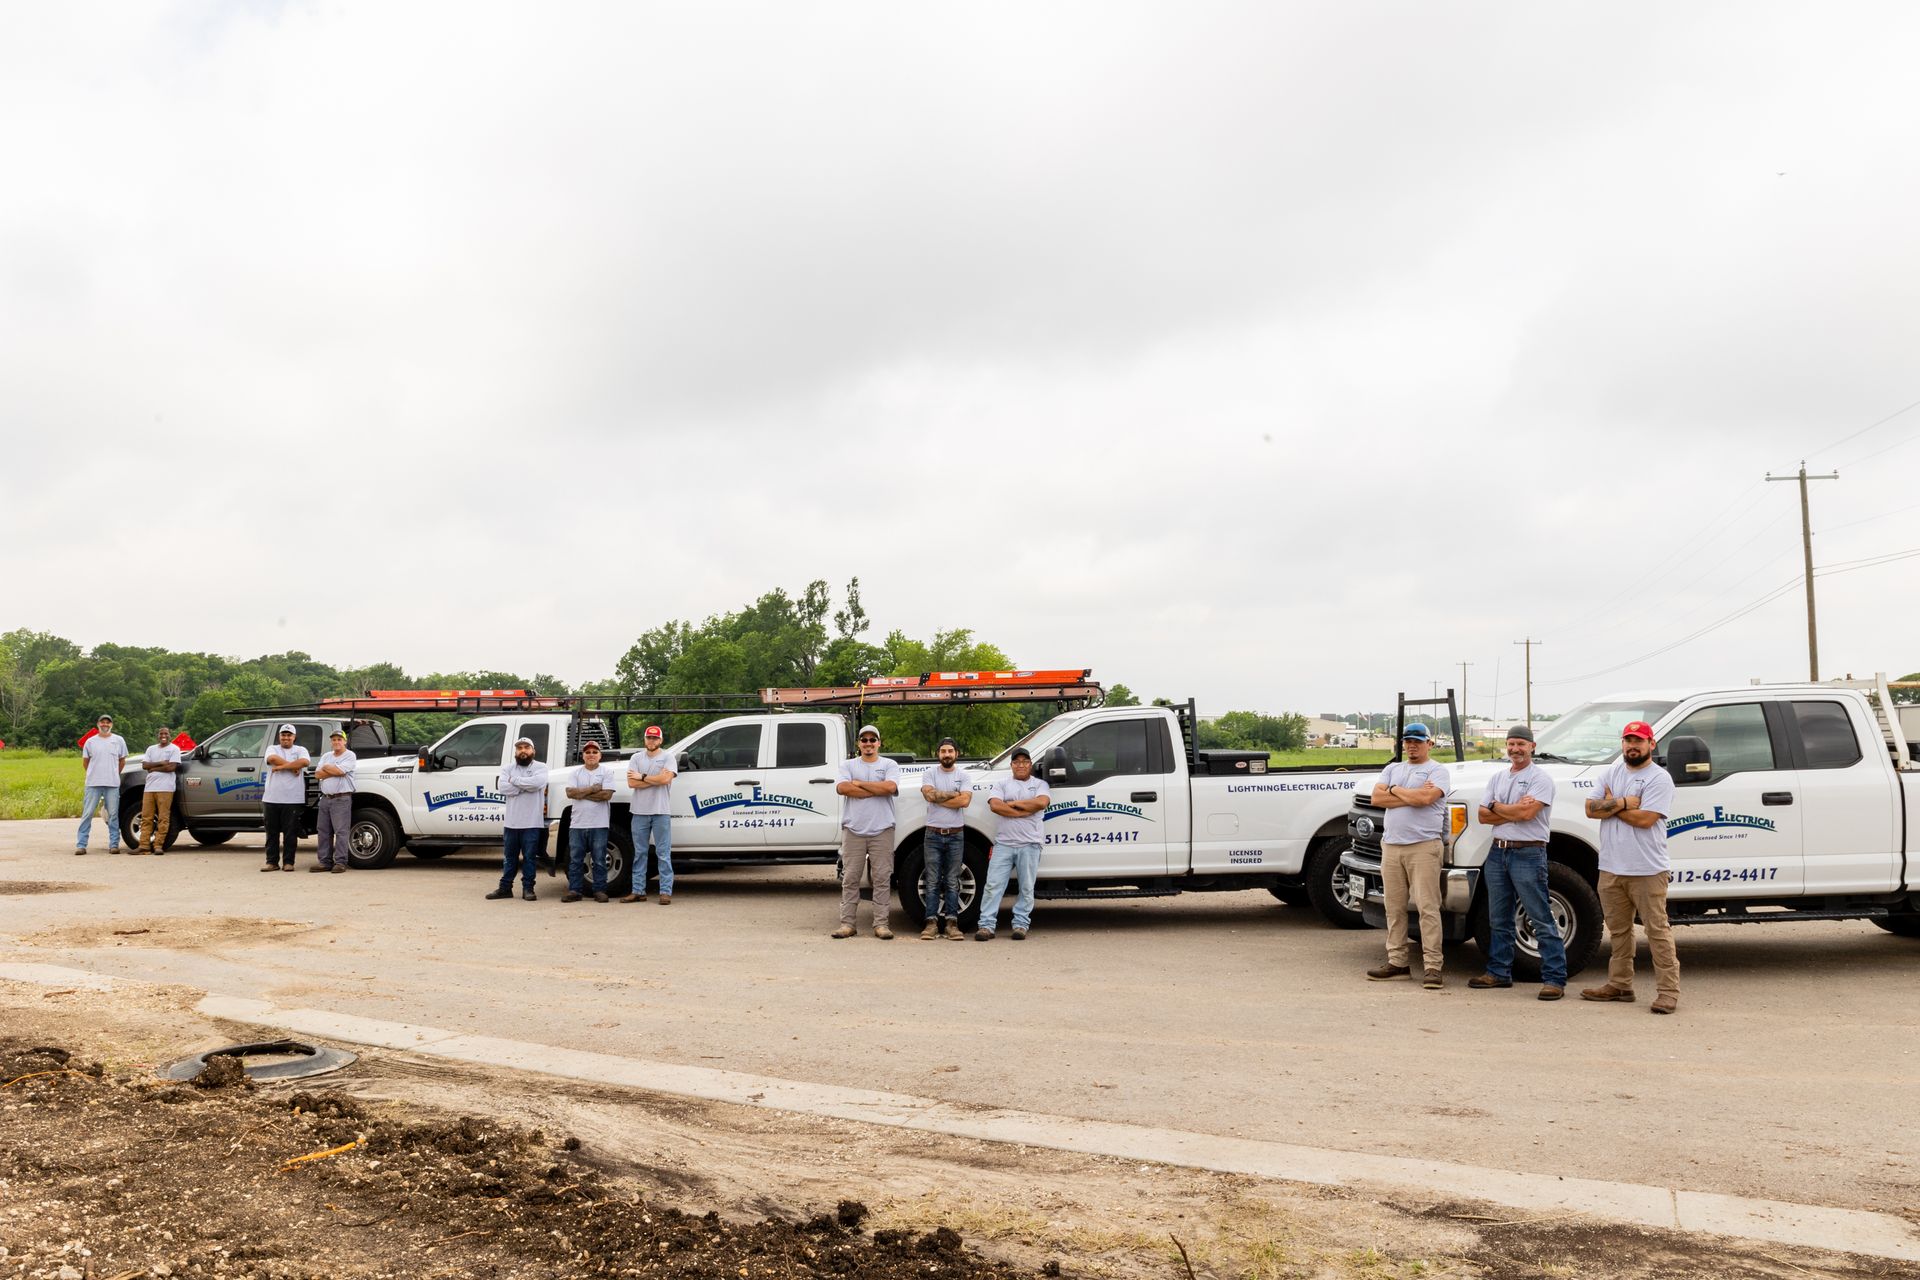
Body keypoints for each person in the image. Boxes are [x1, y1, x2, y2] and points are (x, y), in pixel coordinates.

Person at [1582, 720, 1681, 1014]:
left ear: (1651, 744)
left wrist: (1611, 805)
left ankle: (1668, 992)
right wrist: (1626, 802)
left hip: (1647, 869)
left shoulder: (1659, 779)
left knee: (1657, 931)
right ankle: (1620, 984)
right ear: (1622, 744)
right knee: (1619, 931)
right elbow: (1590, 809)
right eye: (1628, 740)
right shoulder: (1611, 772)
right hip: (1611, 867)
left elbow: (1646, 819)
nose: (1632, 746)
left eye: (1639, 740)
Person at [1470, 726, 1567, 1000]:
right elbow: (1482, 816)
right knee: (1498, 918)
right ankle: (1498, 972)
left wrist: (1497, 807)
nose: (1515, 749)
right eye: (1511, 744)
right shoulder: (1498, 777)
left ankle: (1554, 979)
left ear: (1532, 746)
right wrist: (1509, 811)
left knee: (1541, 917)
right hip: (1497, 853)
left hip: (1528, 854)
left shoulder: (1541, 779)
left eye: (1521, 744)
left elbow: (1527, 814)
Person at [1366, 723, 1452, 988]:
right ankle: (1398, 961)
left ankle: (1433, 967)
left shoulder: (1438, 770)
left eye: (1417, 741)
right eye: (1407, 741)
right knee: (1394, 907)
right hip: (1392, 846)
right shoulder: (1393, 768)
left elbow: (1426, 800)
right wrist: (1407, 794)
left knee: (1428, 907)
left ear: (1429, 743)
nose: (1411, 745)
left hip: (1423, 846)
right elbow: (1376, 799)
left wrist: (1394, 790)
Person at [832, 724, 901, 939]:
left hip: (882, 829)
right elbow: (842, 788)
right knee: (850, 878)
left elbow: (890, 788)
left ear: (879, 743)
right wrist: (876, 788)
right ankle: (847, 924)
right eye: (864, 740)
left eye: (873, 740)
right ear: (859, 744)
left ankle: (881, 924)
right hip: (853, 828)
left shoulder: (890, 764)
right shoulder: (848, 764)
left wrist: (860, 784)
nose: (868, 744)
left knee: (881, 878)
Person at [976, 746, 1049, 941]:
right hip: (1004, 844)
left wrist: (1010, 804)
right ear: (1011, 765)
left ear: (1030, 765)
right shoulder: (1001, 784)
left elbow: (1041, 803)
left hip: (1030, 844)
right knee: (993, 885)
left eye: (1025, 762)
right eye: (1017, 762)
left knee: (1026, 887)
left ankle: (1020, 925)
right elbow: (995, 805)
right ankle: (986, 926)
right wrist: (1023, 809)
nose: (1021, 765)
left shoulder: (1040, 784)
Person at [919, 737, 972, 940]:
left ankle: (952, 923)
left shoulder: (964, 776)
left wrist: (940, 797)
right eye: (943, 751)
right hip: (932, 834)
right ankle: (930, 923)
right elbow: (928, 795)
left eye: (950, 751)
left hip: (956, 834)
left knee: (952, 880)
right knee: (932, 880)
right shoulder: (929, 773)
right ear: (938, 753)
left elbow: (965, 800)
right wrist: (953, 795)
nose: (947, 754)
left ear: (956, 754)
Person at [487, 737, 548, 901]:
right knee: (509, 858)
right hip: (511, 823)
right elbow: (502, 787)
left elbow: (537, 783)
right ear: (515, 751)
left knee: (529, 858)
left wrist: (514, 782)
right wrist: (524, 786)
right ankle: (505, 888)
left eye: (526, 747)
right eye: (519, 748)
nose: (523, 750)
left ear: (533, 751)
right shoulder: (507, 768)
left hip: (532, 823)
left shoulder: (541, 767)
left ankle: (528, 889)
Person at [622, 725, 677, 905]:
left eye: (655, 738)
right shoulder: (636, 757)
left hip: (661, 811)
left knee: (663, 853)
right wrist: (654, 779)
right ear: (645, 739)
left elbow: (666, 779)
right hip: (639, 811)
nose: (651, 741)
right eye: (649, 737)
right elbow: (631, 783)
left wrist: (643, 777)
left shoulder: (668, 757)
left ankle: (665, 892)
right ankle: (638, 890)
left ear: (661, 740)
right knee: (640, 853)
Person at [563, 742, 616, 903]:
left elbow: (606, 795)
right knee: (575, 859)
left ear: (600, 755)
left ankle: (599, 890)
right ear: (583, 755)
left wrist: (581, 793)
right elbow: (570, 793)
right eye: (587, 752)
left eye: (594, 751)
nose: (591, 754)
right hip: (577, 824)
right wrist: (593, 789)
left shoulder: (607, 772)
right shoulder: (575, 773)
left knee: (599, 859)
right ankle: (575, 890)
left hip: (599, 823)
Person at [75, 715, 128, 856]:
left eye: (108, 722)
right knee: (87, 814)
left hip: (112, 784)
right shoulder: (90, 742)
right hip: (93, 784)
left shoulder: (118, 740)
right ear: (98, 724)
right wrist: (94, 774)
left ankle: (114, 845)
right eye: (102, 722)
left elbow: (122, 760)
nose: (105, 724)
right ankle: (81, 845)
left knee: (113, 815)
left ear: (111, 724)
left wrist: (114, 774)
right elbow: (86, 762)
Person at [261, 724, 311, 872]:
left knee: (290, 833)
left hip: (293, 798)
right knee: (272, 833)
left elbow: (305, 762)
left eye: (289, 735)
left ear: (294, 737)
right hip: (271, 798)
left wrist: (282, 767)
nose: (286, 737)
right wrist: (292, 767)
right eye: (283, 735)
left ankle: (289, 862)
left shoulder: (301, 750)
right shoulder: (273, 748)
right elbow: (272, 758)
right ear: (279, 736)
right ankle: (272, 862)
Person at [311, 729, 357, 873]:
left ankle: (340, 862)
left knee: (341, 831)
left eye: (339, 739)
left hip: (341, 798)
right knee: (323, 831)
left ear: (345, 741)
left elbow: (341, 772)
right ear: (331, 742)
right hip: (325, 798)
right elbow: (317, 775)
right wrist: (332, 770)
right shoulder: (326, 756)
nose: (336, 742)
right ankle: (324, 862)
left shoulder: (350, 755)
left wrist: (327, 768)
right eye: (334, 739)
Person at [133, 725, 181, 855]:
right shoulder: (151, 749)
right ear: (158, 735)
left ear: (170, 735)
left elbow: (171, 767)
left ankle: (158, 845)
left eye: (166, 733)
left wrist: (153, 768)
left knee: (163, 817)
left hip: (166, 788)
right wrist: (161, 763)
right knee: (146, 817)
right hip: (149, 788)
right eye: (161, 734)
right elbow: (145, 765)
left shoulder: (174, 749)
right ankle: (143, 846)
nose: (163, 736)